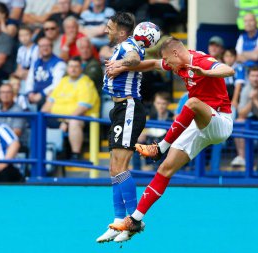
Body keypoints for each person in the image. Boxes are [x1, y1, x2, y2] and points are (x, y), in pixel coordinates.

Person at [106, 36, 235, 237]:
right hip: (200, 124)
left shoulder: (201, 61)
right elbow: (153, 64)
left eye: (170, 61)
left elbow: (229, 70)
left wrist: (207, 73)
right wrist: (124, 67)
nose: (171, 68)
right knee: (165, 169)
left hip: (220, 120)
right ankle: (135, 220)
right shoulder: (177, 64)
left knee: (191, 103)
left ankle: (160, 148)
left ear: (176, 53)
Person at [96, 12, 146, 243]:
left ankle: (133, 221)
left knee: (121, 166)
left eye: (110, 27)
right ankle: (118, 222)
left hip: (129, 108)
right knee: (114, 168)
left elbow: (135, 59)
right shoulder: (121, 46)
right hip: (119, 110)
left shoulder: (129, 46)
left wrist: (121, 64)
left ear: (122, 31)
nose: (106, 30)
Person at [41, 57, 100, 160]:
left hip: (80, 118)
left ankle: (75, 155)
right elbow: (50, 102)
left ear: (81, 68)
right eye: (71, 66)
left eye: (76, 66)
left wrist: (66, 121)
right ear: (67, 68)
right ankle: (40, 154)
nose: (73, 69)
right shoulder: (63, 81)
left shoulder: (86, 82)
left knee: (74, 122)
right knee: (38, 121)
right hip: (57, 118)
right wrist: (41, 115)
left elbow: (82, 108)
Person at [133, 91, 174, 171]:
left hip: (165, 143)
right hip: (150, 140)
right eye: (158, 103)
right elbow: (144, 129)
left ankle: (157, 169)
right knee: (136, 142)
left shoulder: (172, 117)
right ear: (154, 103)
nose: (161, 106)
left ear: (168, 104)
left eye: (163, 103)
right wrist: (142, 133)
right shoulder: (149, 115)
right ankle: (137, 171)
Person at [25, 37, 66, 109]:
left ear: (52, 47)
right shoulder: (36, 62)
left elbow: (57, 84)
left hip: (49, 96)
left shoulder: (59, 63)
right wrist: (30, 92)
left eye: (47, 46)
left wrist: (42, 94)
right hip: (35, 95)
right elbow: (30, 79)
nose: (45, 48)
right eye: (42, 46)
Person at [222, 48, 245, 118]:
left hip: (238, 94)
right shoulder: (221, 67)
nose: (229, 58)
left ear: (235, 57)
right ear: (223, 57)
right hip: (225, 94)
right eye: (226, 56)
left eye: (231, 56)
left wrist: (234, 100)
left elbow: (239, 85)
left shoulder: (239, 67)